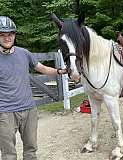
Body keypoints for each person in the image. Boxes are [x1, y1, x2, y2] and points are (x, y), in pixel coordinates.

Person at [0, 16, 67, 160]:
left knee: (31, 151)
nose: (7, 38)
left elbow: (41, 68)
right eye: (2, 35)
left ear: (15, 35)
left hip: (29, 109)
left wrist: (59, 71)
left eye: (10, 34)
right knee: (8, 154)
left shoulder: (24, 53)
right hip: (5, 113)